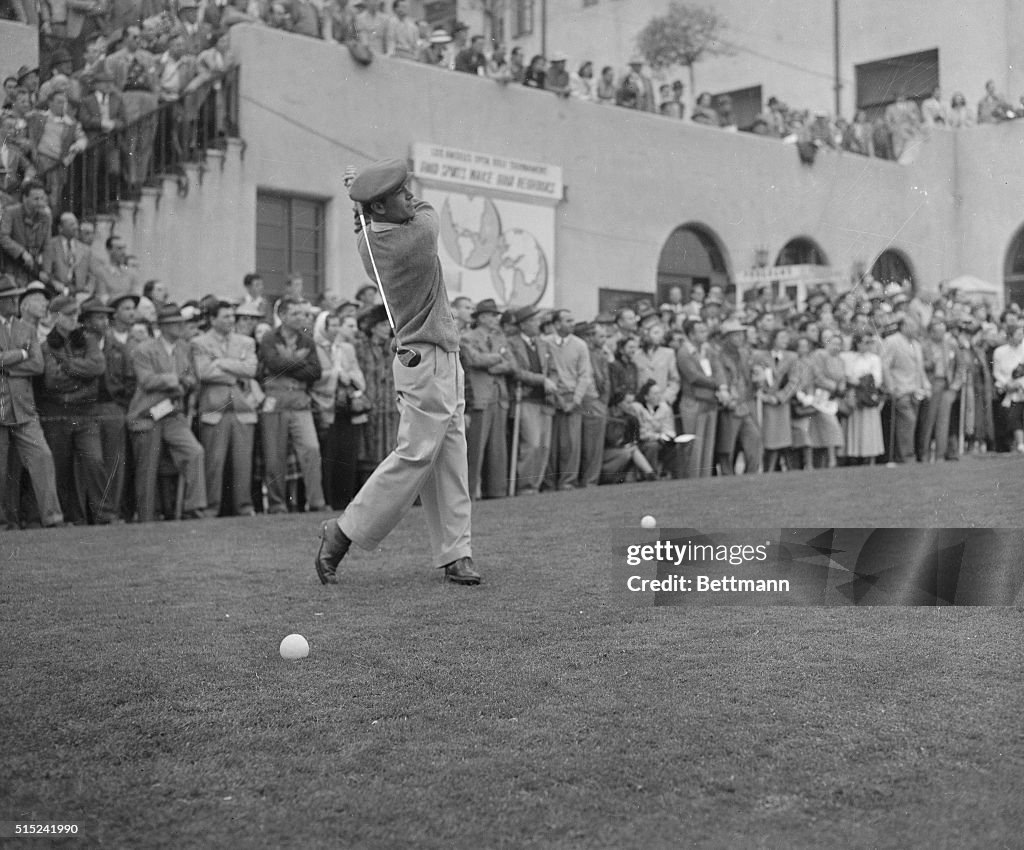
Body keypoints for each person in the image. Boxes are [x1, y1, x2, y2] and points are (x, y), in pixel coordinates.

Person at [315, 158, 480, 586]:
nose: (411, 196)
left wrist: (365, 198)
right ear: (382, 209)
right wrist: (366, 193)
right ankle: (344, 531)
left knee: (450, 457)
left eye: (407, 189)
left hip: (439, 358)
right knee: (416, 455)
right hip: (425, 360)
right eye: (400, 193)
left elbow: (367, 224)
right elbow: (424, 210)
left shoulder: (370, 240)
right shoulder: (417, 236)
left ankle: (455, 552)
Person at [127, 303, 208, 522]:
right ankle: (145, 516)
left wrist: (184, 383)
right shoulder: (144, 349)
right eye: (176, 323)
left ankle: (194, 508)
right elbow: (147, 380)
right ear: (162, 326)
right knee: (147, 467)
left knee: (194, 452)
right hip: (146, 415)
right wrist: (177, 380)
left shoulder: (185, 348)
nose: (181, 326)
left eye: (182, 322)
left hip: (173, 413)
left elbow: (194, 378)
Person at [0, 275, 64, 529]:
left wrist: (7, 365)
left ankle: (53, 517)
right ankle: (3, 522)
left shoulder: (26, 328)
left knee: (43, 457)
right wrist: (22, 353)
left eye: (16, 297)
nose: (16, 301)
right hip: (2, 407)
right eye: (10, 298)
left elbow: (37, 365)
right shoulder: (25, 333)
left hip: (24, 408)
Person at [192, 300, 259, 516]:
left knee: (243, 463)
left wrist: (220, 362)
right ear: (212, 319)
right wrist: (235, 369)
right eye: (226, 316)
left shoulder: (246, 341)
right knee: (214, 462)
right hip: (213, 408)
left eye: (232, 316)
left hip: (242, 408)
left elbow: (251, 369)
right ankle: (212, 508)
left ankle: (244, 507)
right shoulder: (199, 342)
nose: (231, 320)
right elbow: (203, 372)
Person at [506, 304, 556, 495]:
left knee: (543, 446)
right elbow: (516, 371)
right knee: (531, 445)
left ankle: (535, 485)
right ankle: (525, 486)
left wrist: (552, 382)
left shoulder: (543, 344)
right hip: (525, 399)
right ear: (524, 324)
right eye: (534, 320)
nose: (538, 324)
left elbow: (551, 368)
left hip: (545, 400)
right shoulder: (512, 343)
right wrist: (542, 380)